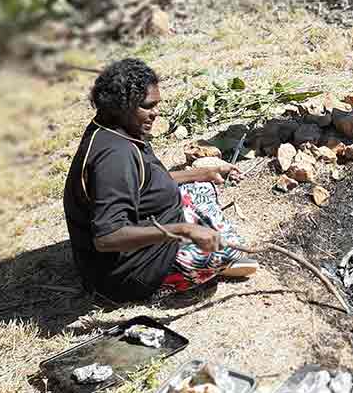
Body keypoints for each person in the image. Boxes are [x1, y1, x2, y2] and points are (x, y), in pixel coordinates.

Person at [63, 59, 258, 304]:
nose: (156, 112)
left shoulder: (115, 128)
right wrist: (183, 230)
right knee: (227, 250)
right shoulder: (115, 157)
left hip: (151, 224)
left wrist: (202, 174)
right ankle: (164, 283)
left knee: (200, 188)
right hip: (127, 273)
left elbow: (148, 182)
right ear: (120, 106)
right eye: (147, 106)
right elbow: (107, 238)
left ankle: (202, 244)